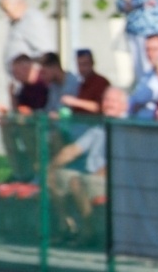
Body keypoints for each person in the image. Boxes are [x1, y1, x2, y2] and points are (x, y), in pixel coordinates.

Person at [47, 87, 124, 242]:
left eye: (113, 101)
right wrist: (49, 166)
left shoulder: (127, 128)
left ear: (124, 106)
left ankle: (89, 232)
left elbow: (120, 162)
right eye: (106, 100)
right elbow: (73, 150)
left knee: (77, 181)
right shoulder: (98, 128)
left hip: (111, 180)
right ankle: (67, 226)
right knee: (52, 177)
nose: (109, 104)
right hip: (90, 176)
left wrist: (94, 176)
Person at [0, 0, 55, 81]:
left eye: (6, 10)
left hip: (31, 81)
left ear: (19, 5)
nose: (6, 15)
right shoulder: (18, 22)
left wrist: (28, 67)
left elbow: (45, 51)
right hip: (20, 80)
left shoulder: (31, 20)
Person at [61, 50, 111, 115]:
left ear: (92, 63)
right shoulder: (81, 83)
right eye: (79, 65)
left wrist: (73, 101)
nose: (82, 68)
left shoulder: (101, 82)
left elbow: (101, 107)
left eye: (85, 64)